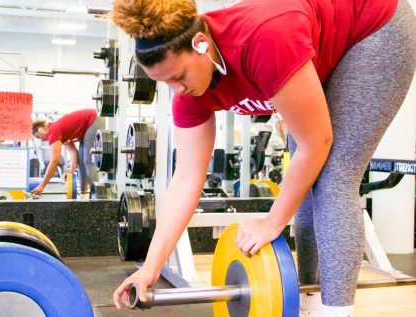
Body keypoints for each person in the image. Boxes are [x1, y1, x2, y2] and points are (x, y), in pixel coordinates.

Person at [110, 0, 416, 316]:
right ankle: (310, 305)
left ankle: (337, 312)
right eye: (166, 83)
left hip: (375, 24)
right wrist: (152, 267)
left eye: (178, 76)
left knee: (333, 176)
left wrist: (272, 222)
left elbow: (317, 142)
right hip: (325, 43)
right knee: (309, 183)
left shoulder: (263, 38)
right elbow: (186, 179)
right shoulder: (189, 95)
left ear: (200, 44)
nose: (177, 90)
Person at [31, 109, 103, 196]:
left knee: (88, 161)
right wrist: (71, 172)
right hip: (86, 128)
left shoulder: (53, 132)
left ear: (40, 130)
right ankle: (84, 194)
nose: (41, 139)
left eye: (38, 137)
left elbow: (55, 161)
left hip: (93, 119)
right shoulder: (58, 132)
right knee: (81, 160)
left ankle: (98, 196)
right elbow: (73, 152)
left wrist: (41, 186)